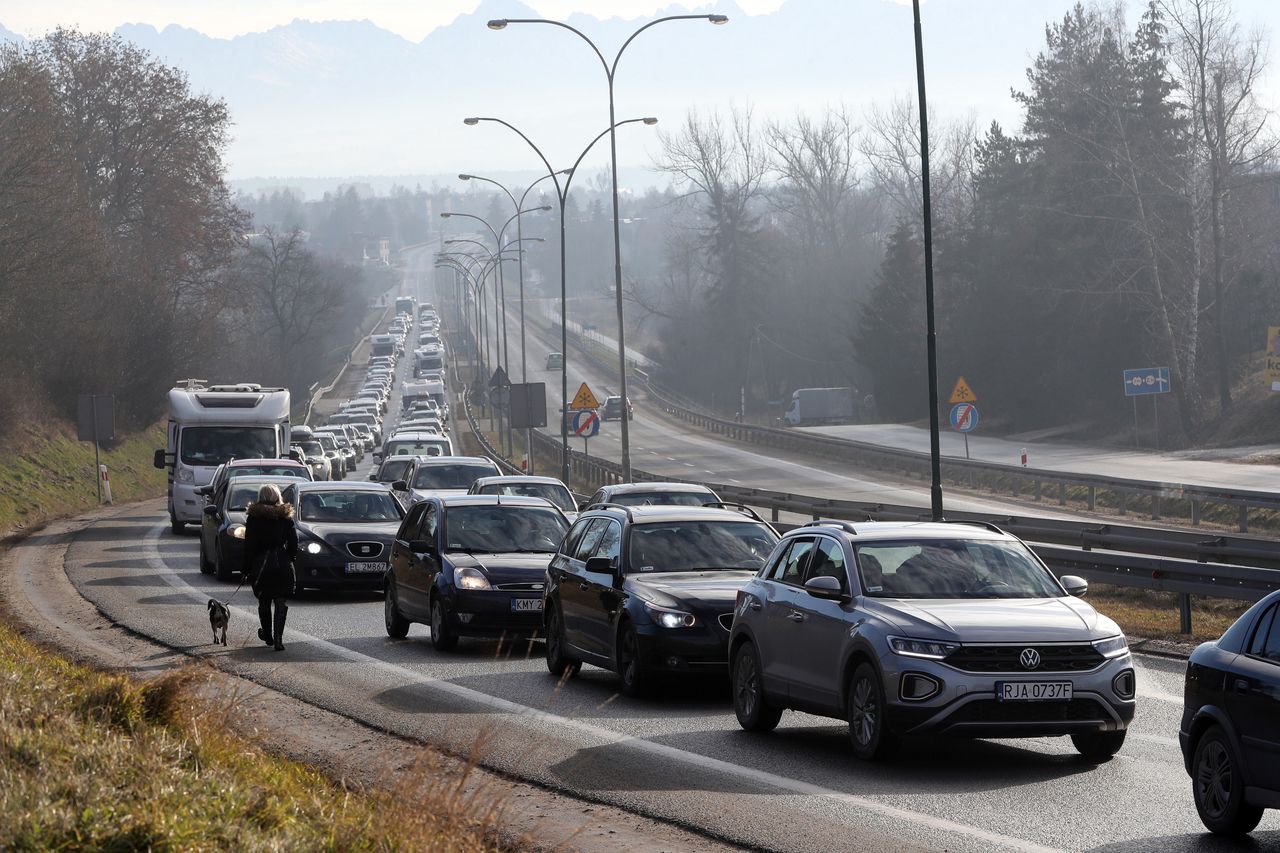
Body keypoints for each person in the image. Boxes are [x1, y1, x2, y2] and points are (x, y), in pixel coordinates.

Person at [243, 483, 298, 651]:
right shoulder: (285, 517)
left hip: (261, 564)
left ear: (260, 497)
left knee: (264, 600)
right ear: (277, 497)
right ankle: (279, 640)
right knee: (281, 600)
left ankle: (267, 635)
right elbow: (293, 541)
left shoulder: (254, 518)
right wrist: (289, 558)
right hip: (282, 563)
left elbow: (249, 545)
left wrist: (246, 567)